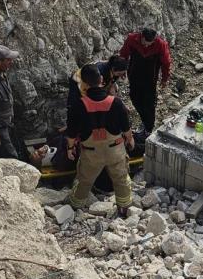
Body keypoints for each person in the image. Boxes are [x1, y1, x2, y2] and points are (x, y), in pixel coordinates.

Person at [66, 64, 134, 215]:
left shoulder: (78, 106)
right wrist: (130, 141)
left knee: (85, 181)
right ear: (101, 79)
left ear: (84, 84)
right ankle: (124, 208)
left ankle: (75, 207)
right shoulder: (116, 103)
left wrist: (70, 149)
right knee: (121, 179)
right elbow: (126, 129)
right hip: (115, 150)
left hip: (91, 154)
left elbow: (71, 133)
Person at [119, 27, 172, 133]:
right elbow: (124, 54)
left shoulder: (161, 44)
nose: (146, 46)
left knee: (149, 103)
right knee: (134, 98)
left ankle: (148, 127)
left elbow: (166, 63)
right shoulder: (132, 39)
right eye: (145, 43)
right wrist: (122, 70)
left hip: (150, 78)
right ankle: (144, 120)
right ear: (141, 36)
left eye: (150, 44)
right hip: (134, 74)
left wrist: (164, 79)